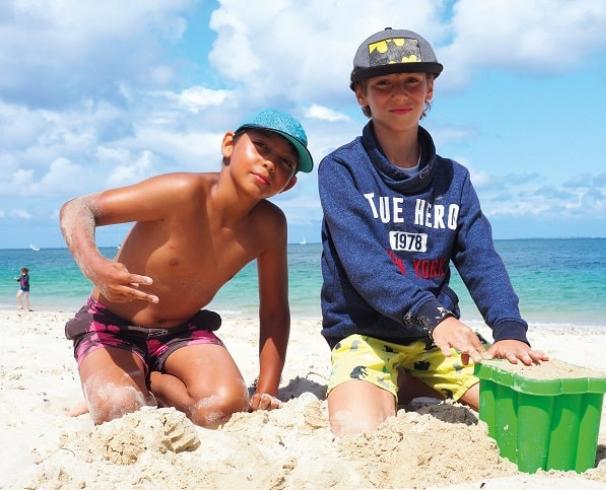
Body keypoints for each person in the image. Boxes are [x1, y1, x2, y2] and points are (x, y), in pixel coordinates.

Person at [318, 28, 548, 435]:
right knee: (361, 433)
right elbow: (365, 268)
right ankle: (390, 382)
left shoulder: (454, 179)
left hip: (436, 340)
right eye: (383, 84)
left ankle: (411, 381)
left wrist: (510, 331)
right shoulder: (342, 170)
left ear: (430, 90)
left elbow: (481, 261)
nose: (399, 94)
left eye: (412, 82)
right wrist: (434, 316)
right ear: (361, 95)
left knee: (527, 415)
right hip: (365, 335)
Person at [60, 108, 313, 427]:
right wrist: (94, 264)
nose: (270, 163)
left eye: (285, 163)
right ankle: (123, 380)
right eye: (261, 146)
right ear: (229, 145)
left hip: (181, 332)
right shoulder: (182, 191)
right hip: (112, 326)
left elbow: (275, 311)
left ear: (288, 184)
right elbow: (80, 208)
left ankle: (152, 382)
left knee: (226, 408)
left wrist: (266, 390)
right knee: (118, 409)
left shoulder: (270, 226)